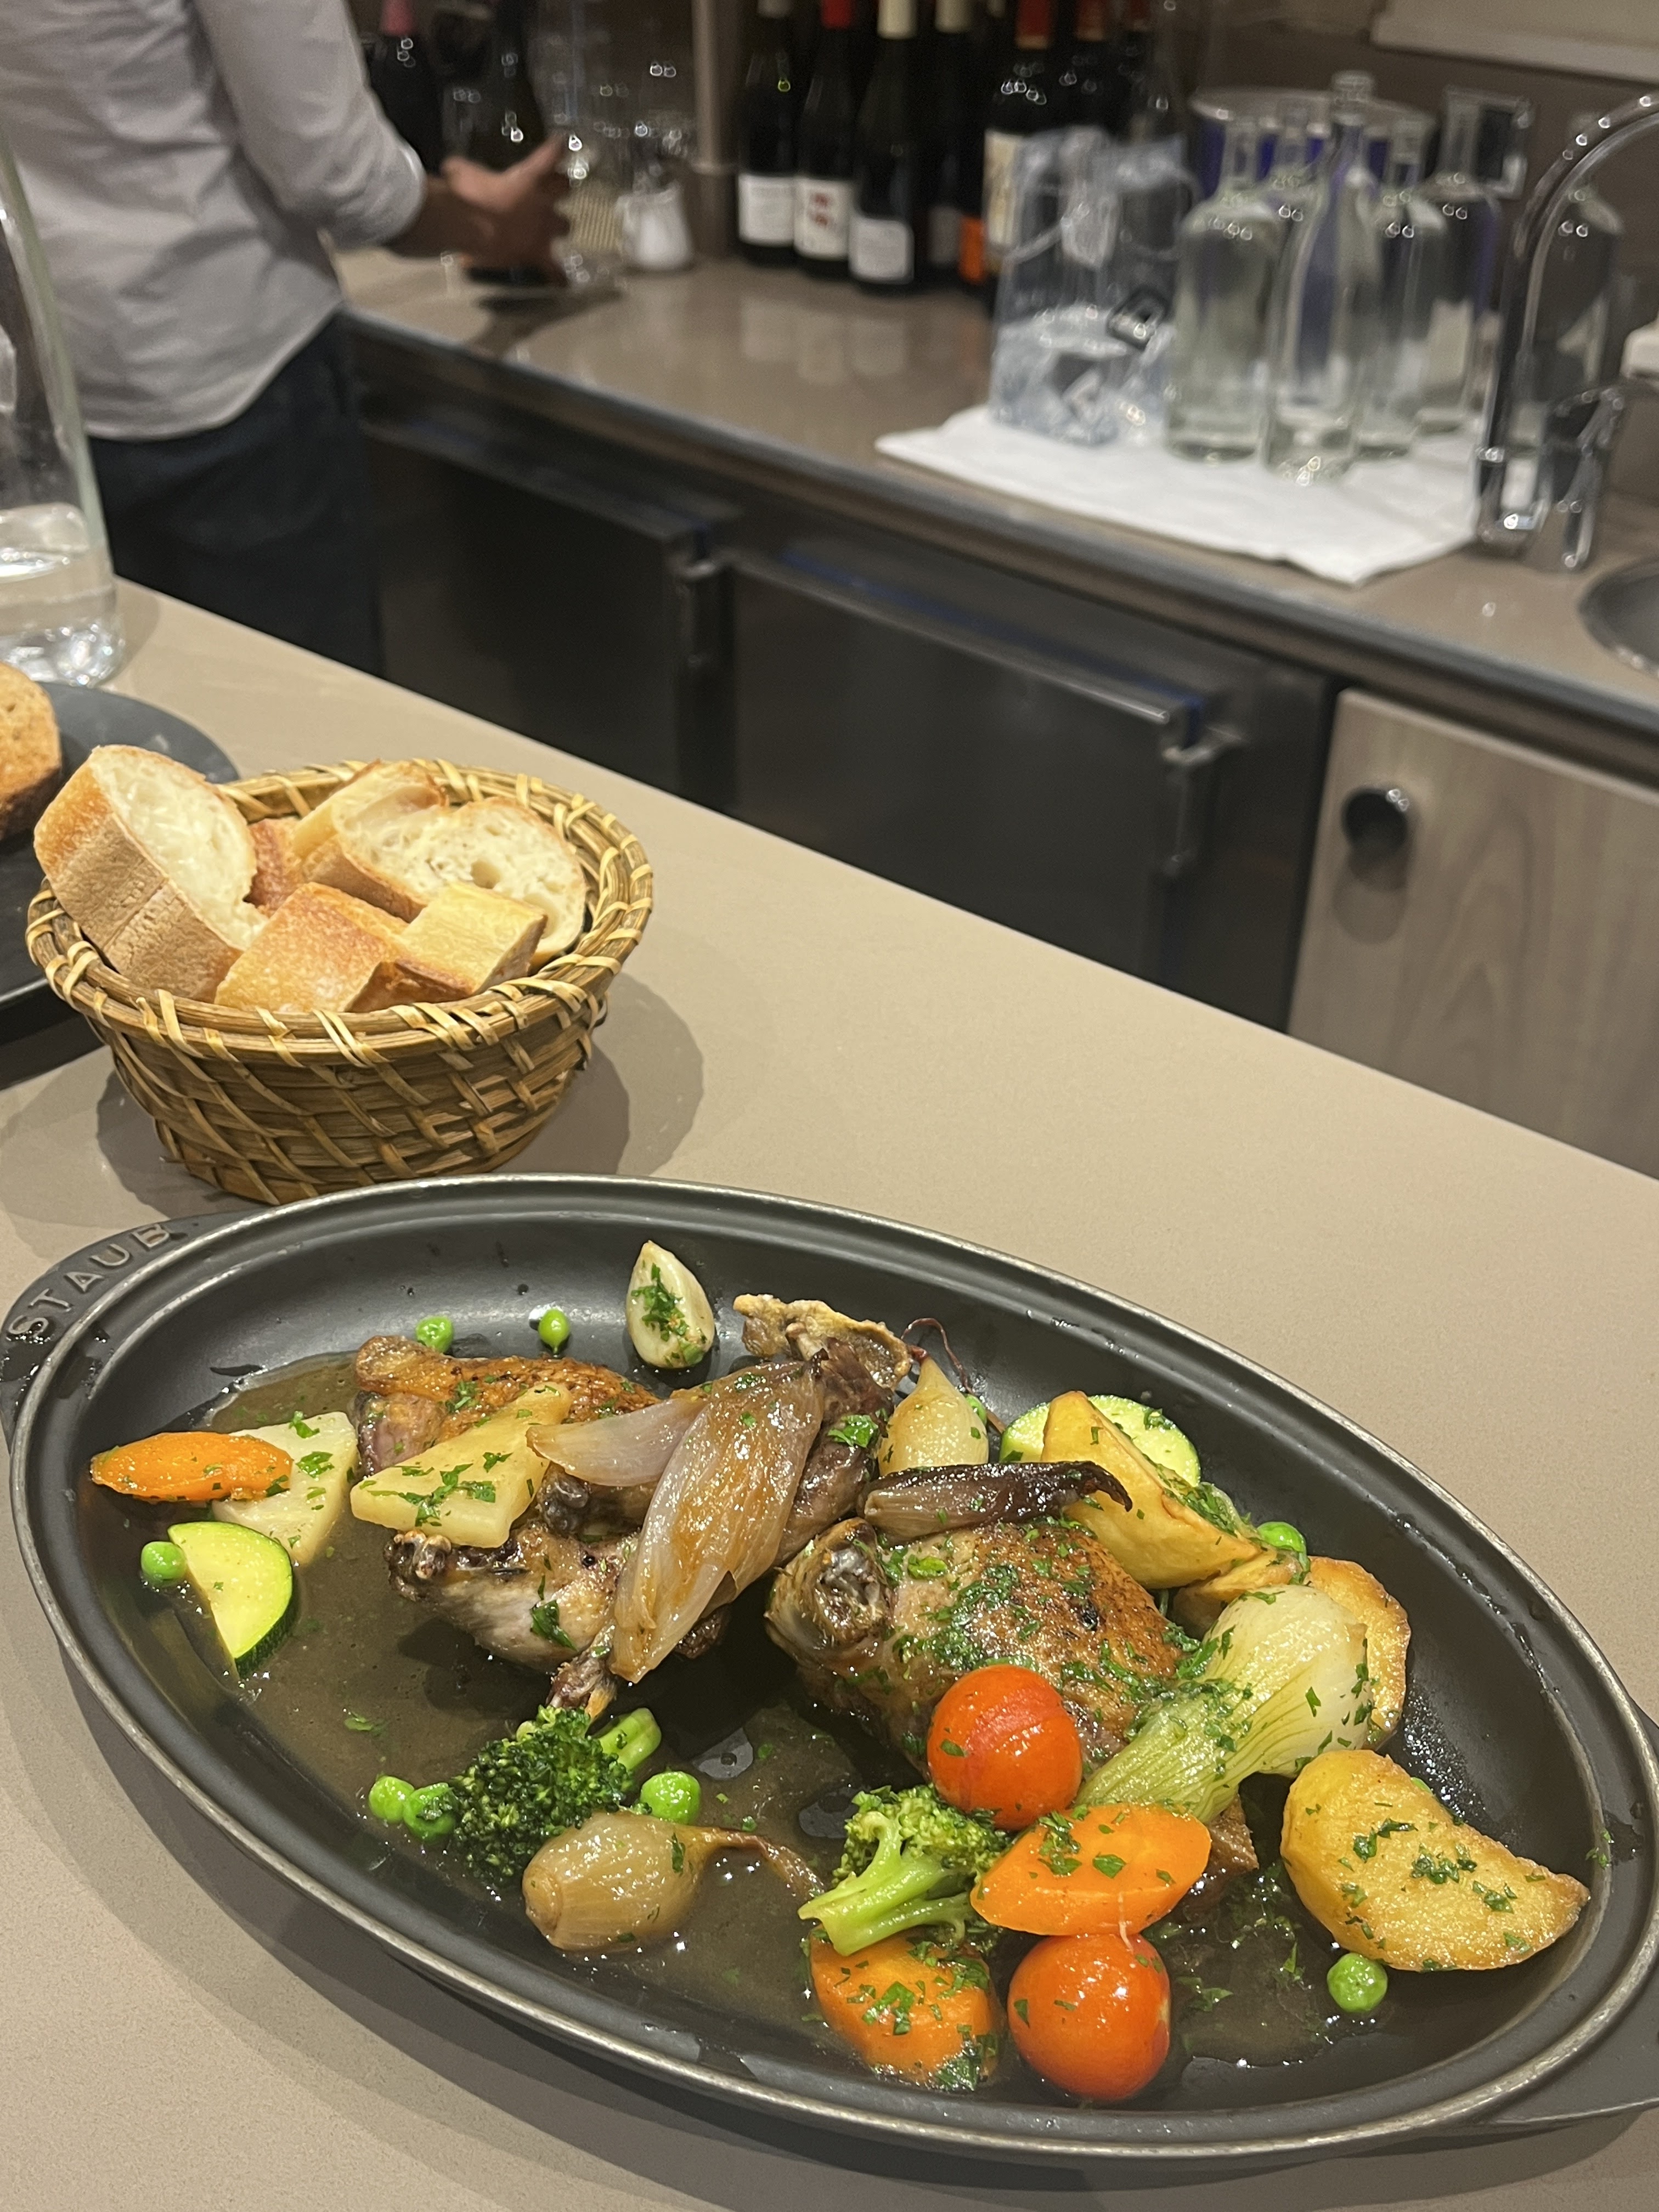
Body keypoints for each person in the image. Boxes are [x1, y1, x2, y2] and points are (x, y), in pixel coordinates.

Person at [0, 0, 567, 673]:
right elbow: (335, 174)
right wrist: (492, 226)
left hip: (49, 382)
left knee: (123, 715)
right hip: (236, 377)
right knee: (301, 717)